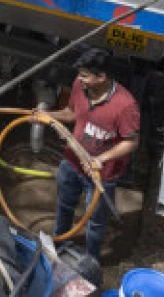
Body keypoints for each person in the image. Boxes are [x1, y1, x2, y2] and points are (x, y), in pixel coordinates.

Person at [36, 47, 139, 260]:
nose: (79, 79)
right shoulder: (78, 86)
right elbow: (71, 113)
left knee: (95, 222)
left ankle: (90, 262)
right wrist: (46, 115)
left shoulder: (126, 105)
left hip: (102, 174)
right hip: (72, 163)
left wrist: (100, 159)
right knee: (64, 208)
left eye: (84, 75)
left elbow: (131, 142)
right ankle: (57, 250)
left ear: (102, 77)